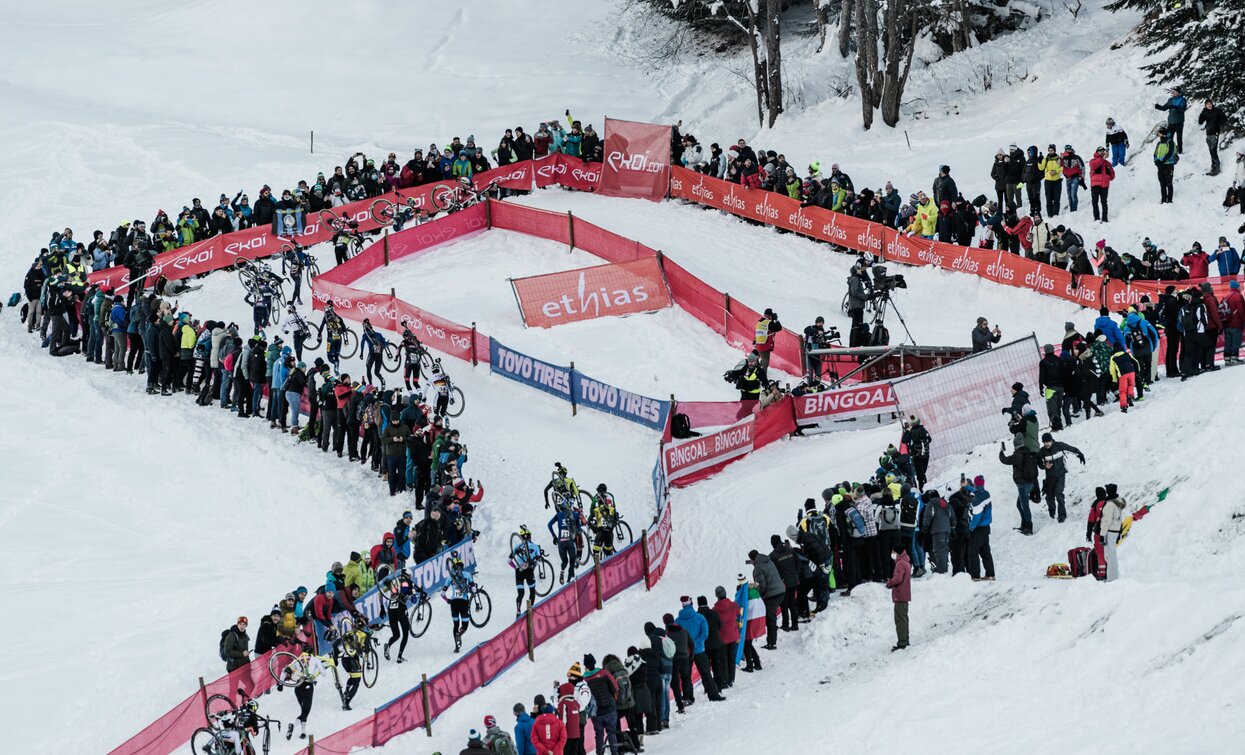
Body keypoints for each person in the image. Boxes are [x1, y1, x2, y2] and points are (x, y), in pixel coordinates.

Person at [677, 595, 725, 702]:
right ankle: (713, 695)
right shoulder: (699, 618)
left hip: (685, 652)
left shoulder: (678, 621)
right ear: (691, 603)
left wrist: (687, 645)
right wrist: (695, 643)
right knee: (706, 673)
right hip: (699, 650)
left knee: (686, 676)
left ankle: (688, 698)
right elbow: (705, 634)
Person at [1038, 433, 1085, 523]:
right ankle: (1052, 512)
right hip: (1050, 477)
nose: (1046, 444)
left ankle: (1062, 514)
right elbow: (1039, 463)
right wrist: (1045, 465)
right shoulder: (1042, 451)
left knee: (1059, 493)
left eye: (1047, 442)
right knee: (1050, 496)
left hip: (1060, 474)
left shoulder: (1059, 446)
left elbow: (1070, 448)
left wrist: (1079, 454)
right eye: (1044, 442)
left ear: (1051, 440)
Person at [581, 654, 619, 755]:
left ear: (586, 666)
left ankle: (599, 753)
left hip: (596, 713)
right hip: (609, 709)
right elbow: (615, 687)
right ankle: (614, 752)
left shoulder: (584, 680)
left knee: (599, 734)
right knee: (612, 732)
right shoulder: (604, 673)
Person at [998, 439, 1039, 535]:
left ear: (1015, 445)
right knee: (1019, 505)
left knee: (1024, 506)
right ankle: (1024, 524)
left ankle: (1028, 527)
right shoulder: (1027, 452)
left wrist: (1001, 452)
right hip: (1030, 483)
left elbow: (1004, 460)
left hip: (1023, 485)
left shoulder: (1017, 455)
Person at [748, 548, 784, 649]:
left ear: (752, 560)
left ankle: (772, 643)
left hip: (772, 595)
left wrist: (758, 596)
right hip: (781, 591)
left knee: (771, 619)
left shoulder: (758, 568)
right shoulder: (769, 561)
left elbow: (761, 585)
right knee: (773, 615)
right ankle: (772, 641)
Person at [442, 552, 474, 652]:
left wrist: (448, 601)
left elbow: (442, 594)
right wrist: (473, 590)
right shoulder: (467, 574)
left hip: (454, 603)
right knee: (465, 625)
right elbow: (473, 590)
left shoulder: (449, 577)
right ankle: (460, 634)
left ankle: (456, 646)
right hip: (463, 602)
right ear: (462, 566)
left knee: (455, 624)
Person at [966, 476, 995, 580]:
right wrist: (967, 487)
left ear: (975, 484)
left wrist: (971, 527)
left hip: (978, 529)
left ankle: (975, 576)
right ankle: (990, 574)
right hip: (986, 527)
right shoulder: (986, 494)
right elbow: (976, 490)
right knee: (985, 551)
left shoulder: (977, 499)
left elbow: (977, 516)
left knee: (973, 552)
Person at [510, 525, 544, 616]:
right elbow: (538, 561)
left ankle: (518, 611)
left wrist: (516, 568)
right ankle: (530, 610)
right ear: (530, 536)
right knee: (532, 591)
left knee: (521, 593)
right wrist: (534, 565)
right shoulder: (535, 546)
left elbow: (508, 561)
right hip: (529, 570)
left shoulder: (517, 546)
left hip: (519, 571)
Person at [548, 501, 583, 584]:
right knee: (572, 561)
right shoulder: (575, 515)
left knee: (564, 561)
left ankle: (562, 571)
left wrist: (554, 536)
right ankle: (568, 581)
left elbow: (549, 525)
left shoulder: (559, 515)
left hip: (561, 542)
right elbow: (579, 530)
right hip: (570, 541)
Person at [381, 573, 413, 663]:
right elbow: (413, 599)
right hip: (401, 610)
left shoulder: (394, 582)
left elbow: (381, 592)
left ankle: (388, 645)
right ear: (408, 575)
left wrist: (381, 606)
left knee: (396, 635)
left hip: (391, 610)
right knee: (405, 634)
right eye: (410, 576)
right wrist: (412, 596)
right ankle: (399, 656)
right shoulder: (407, 583)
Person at [885, 544, 911, 651]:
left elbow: (898, 578)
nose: (892, 554)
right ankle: (905, 639)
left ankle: (902, 642)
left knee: (900, 619)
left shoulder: (900, 564)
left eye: (893, 552)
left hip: (900, 594)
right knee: (904, 618)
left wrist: (890, 583)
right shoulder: (906, 562)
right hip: (905, 594)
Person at [1100, 483, 1127, 581]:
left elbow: (1106, 520)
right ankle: (1112, 577)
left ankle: (1111, 578)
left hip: (1110, 531)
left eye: (1107, 490)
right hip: (1116, 530)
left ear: (1108, 491)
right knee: (1112, 555)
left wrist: (1102, 535)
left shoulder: (1110, 504)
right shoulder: (1119, 501)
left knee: (1110, 556)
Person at [1197, 99, 1228, 175]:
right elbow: (1200, 122)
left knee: (1213, 151)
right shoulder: (1205, 112)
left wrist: (1217, 124)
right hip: (1208, 134)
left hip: (1215, 133)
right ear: (1205, 106)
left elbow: (1225, 119)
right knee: (1211, 152)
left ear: (1212, 104)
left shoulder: (1217, 110)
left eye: (1210, 104)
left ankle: (1217, 168)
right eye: (1207, 104)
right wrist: (1202, 113)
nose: (1209, 105)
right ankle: (1213, 168)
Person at [1155, 87, 1188, 152]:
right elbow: (1164, 108)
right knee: (1169, 137)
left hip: (1179, 122)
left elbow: (1182, 109)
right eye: (1172, 91)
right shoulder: (1170, 100)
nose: (1172, 92)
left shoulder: (1182, 99)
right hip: (1171, 122)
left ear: (1178, 92)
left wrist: (1174, 107)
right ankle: (1170, 150)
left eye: (1174, 91)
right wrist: (1158, 107)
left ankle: (1180, 150)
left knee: (1179, 137)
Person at [1088, 146, 1115, 222]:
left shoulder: (1108, 164)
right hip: (1095, 185)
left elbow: (1112, 176)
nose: (1102, 152)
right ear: (1097, 152)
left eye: (1103, 151)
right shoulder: (1092, 161)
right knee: (1095, 202)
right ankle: (1096, 218)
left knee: (1104, 202)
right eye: (1100, 151)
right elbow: (1094, 166)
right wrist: (1102, 159)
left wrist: (1107, 176)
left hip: (1104, 186)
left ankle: (1104, 218)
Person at [1109, 346, 1139, 413]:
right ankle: (1130, 396)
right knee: (1131, 385)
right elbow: (1136, 362)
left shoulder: (1113, 357)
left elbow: (1112, 370)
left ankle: (1124, 407)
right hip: (1131, 372)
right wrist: (1137, 372)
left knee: (1122, 391)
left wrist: (1114, 379)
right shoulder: (1127, 354)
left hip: (1122, 375)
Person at [1153, 128, 1179, 204]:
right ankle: (1163, 199)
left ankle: (1170, 200)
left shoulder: (1170, 142)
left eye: (1160, 134)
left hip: (1168, 165)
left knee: (1169, 183)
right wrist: (1156, 161)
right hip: (1160, 166)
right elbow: (1155, 154)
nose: (1159, 135)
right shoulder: (1159, 143)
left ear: (1164, 134)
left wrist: (1161, 161)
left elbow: (1170, 154)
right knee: (1162, 184)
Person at [1039, 144, 1063, 216]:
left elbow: (1062, 168)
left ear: (1054, 150)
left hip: (1057, 181)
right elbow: (1041, 168)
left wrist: (1055, 171)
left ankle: (1055, 213)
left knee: (1056, 198)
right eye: (1049, 150)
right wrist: (1039, 161)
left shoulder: (1058, 158)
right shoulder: (1046, 159)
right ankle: (1049, 214)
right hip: (1048, 181)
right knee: (1048, 198)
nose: (1050, 152)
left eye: (1052, 150)